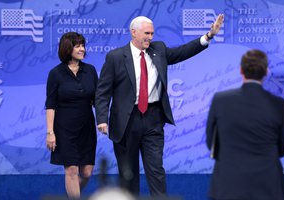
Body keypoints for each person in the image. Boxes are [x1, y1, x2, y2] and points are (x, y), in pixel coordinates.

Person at [95, 15, 224, 196]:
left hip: (153, 119)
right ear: (133, 32)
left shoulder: (159, 50)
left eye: (152, 33)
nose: (150, 37)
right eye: (146, 33)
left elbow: (183, 52)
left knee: (156, 171)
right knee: (128, 175)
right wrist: (102, 118)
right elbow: (103, 91)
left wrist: (208, 36)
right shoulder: (115, 57)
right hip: (125, 122)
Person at [206, 49, 284, 200]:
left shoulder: (220, 100)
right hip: (268, 187)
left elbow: (211, 144)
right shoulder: (280, 105)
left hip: (228, 187)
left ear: (240, 70)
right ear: (266, 72)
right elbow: (282, 149)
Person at [45, 32, 98, 198]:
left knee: (87, 172)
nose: (82, 49)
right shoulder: (56, 73)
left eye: (83, 45)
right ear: (67, 48)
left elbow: (98, 100)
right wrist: (50, 132)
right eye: (77, 46)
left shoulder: (90, 70)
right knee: (72, 170)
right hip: (64, 129)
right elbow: (50, 105)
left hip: (87, 127)